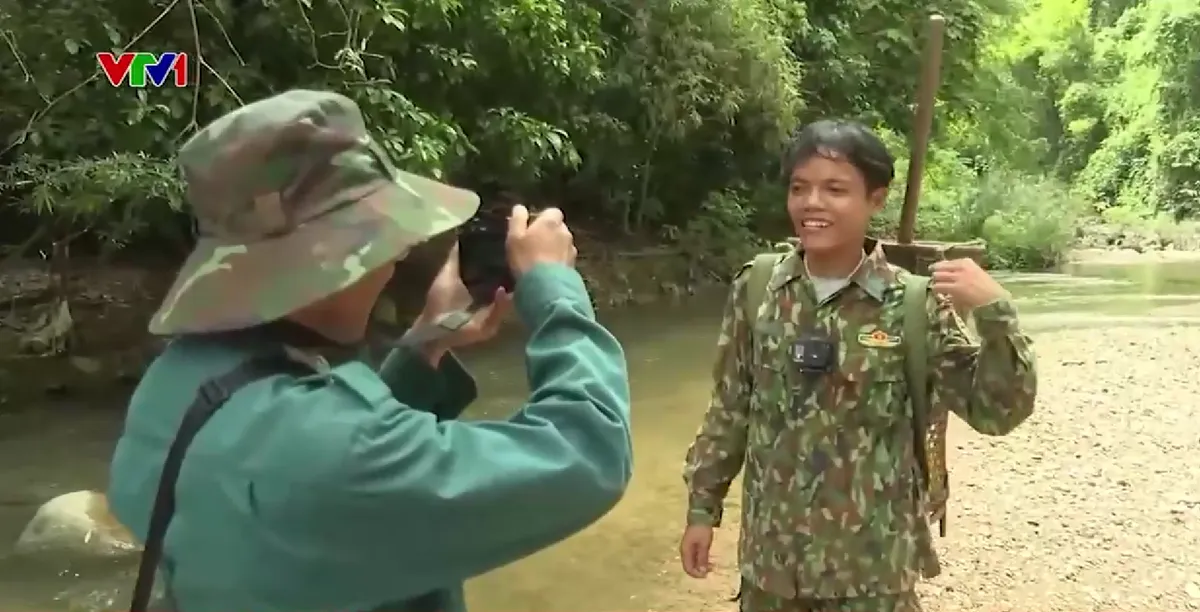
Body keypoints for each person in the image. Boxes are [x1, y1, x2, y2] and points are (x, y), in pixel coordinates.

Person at [107, 89, 633, 612]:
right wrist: (554, 289)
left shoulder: (173, 383)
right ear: (332, 256)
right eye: (384, 234)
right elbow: (589, 453)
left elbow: (318, 481)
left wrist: (425, 344)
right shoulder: (338, 456)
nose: (400, 251)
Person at [677, 119, 1037, 612]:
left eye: (835, 189)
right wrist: (703, 509)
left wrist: (995, 312)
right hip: (771, 570)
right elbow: (731, 409)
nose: (812, 203)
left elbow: (997, 411)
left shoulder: (915, 305)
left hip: (873, 574)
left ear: (876, 199)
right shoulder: (757, 288)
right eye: (800, 188)